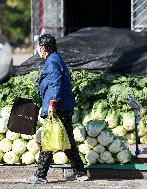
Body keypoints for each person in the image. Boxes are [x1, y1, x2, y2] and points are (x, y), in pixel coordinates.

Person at [27, 34, 89, 184]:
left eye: (39, 47)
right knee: (68, 141)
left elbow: (55, 84)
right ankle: (80, 173)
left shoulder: (52, 61)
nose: (38, 50)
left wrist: (52, 104)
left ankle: (40, 175)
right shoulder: (56, 58)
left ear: (43, 47)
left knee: (48, 140)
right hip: (63, 106)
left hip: (57, 108)